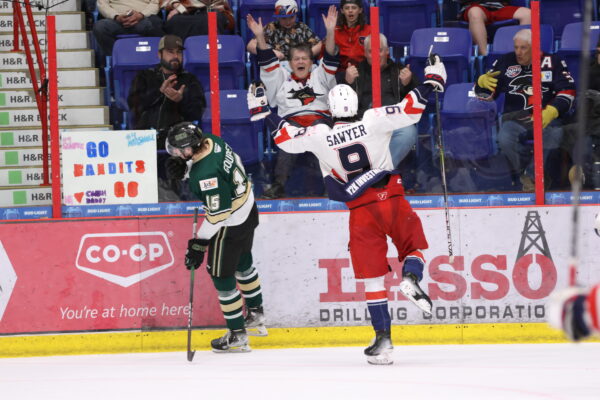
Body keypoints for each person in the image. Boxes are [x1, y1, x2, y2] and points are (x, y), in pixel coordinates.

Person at [271, 57, 448, 364]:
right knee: (413, 247)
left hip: (362, 211)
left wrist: (263, 112)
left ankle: (383, 341)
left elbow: (283, 140)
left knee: (373, 280)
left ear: (330, 110)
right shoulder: (373, 119)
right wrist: (432, 80)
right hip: (392, 198)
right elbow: (411, 108)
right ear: (355, 103)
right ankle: (411, 275)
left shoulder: (319, 134)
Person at [165, 122, 267, 352]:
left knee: (221, 276)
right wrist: (188, 168)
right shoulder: (212, 140)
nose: (176, 154)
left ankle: (238, 334)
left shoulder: (205, 175)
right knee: (243, 262)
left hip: (229, 225)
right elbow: (224, 169)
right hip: (248, 210)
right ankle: (256, 313)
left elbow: (219, 215)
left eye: (179, 150)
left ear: (191, 148)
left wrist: (199, 243)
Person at [246, 6, 338, 199]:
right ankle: (279, 185)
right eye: (296, 59)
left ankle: (332, 184)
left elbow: (329, 56)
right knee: (288, 138)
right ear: (290, 63)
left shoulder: (320, 74)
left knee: (323, 136)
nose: (300, 61)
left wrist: (330, 32)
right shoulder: (281, 76)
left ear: (311, 61)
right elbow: (267, 61)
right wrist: (260, 37)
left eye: (305, 58)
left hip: (320, 121)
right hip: (291, 122)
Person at [475, 29, 576, 191]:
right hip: (515, 120)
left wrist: (551, 111)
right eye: (516, 47)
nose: (518, 53)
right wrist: (481, 83)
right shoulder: (505, 61)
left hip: (546, 118)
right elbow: (487, 94)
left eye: (523, 48)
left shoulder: (553, 61)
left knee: (554, 134)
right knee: (504, 138)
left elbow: (568, 91)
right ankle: (525, 173)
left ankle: (534, 175)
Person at [343, 33, 418, 168]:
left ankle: (379, 171)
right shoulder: (355, 71)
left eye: (380, 50)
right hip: (362, 124)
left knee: (409, 131)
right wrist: (348, 83)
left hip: (391, 122)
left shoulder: (398, 70)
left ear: (387, 51)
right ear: (365, 53)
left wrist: (408, 83)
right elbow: (340, 105)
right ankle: (376, 173)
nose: (376, 55)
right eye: (371, 51)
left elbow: (417, 100)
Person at [128, 34, 206, 138]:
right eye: (170, 52)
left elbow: (197, 112)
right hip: (147, 135)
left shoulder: (190, 79)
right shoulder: (145, 76)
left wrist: (180, 101)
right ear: (159, 54)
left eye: (179, 52)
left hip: (180, 136)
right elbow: (134, 105)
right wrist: (159, 92)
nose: (175, 56)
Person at [246, 0, 322, 61]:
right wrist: (272, 53)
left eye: (291, 17)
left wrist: (306, 55)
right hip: (277, 69)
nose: (288, 22)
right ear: (278, 17)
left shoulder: (302, 27)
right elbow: (250, 46)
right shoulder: (271, 27)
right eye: (284, 18)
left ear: (296, 15)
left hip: (300, 67)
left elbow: (319, 44)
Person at [455, 0, 531, 56]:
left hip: (499, 7)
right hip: (474, 6)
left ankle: (522, 56)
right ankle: (485, 57)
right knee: (475, 13)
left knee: (528, 14)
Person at [94, 0, 164, 56]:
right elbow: (102, 4)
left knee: (156, 23)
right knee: (100, 27)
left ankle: (155, 60)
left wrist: (141, 15)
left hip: (143, 19)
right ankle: (117, 57)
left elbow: (156, 3)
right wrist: (116, 16)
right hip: (116, 20)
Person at [160, 0, 235, 40]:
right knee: (175, 21)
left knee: (211, 19)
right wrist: (176, 5)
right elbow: (164, 2)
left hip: (209, 11)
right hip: (186, 15)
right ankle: (182, 56)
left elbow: (211, 3)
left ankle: (210, 58)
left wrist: (183, 7)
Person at [334, 0, 370, 74]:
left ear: (360, 10)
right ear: (342, 11)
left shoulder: (370, 30)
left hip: (364, 72)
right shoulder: (335, 31)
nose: (350, 10)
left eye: (354, 8)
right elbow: (328, 55)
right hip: (342, 72)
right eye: (347, 8)